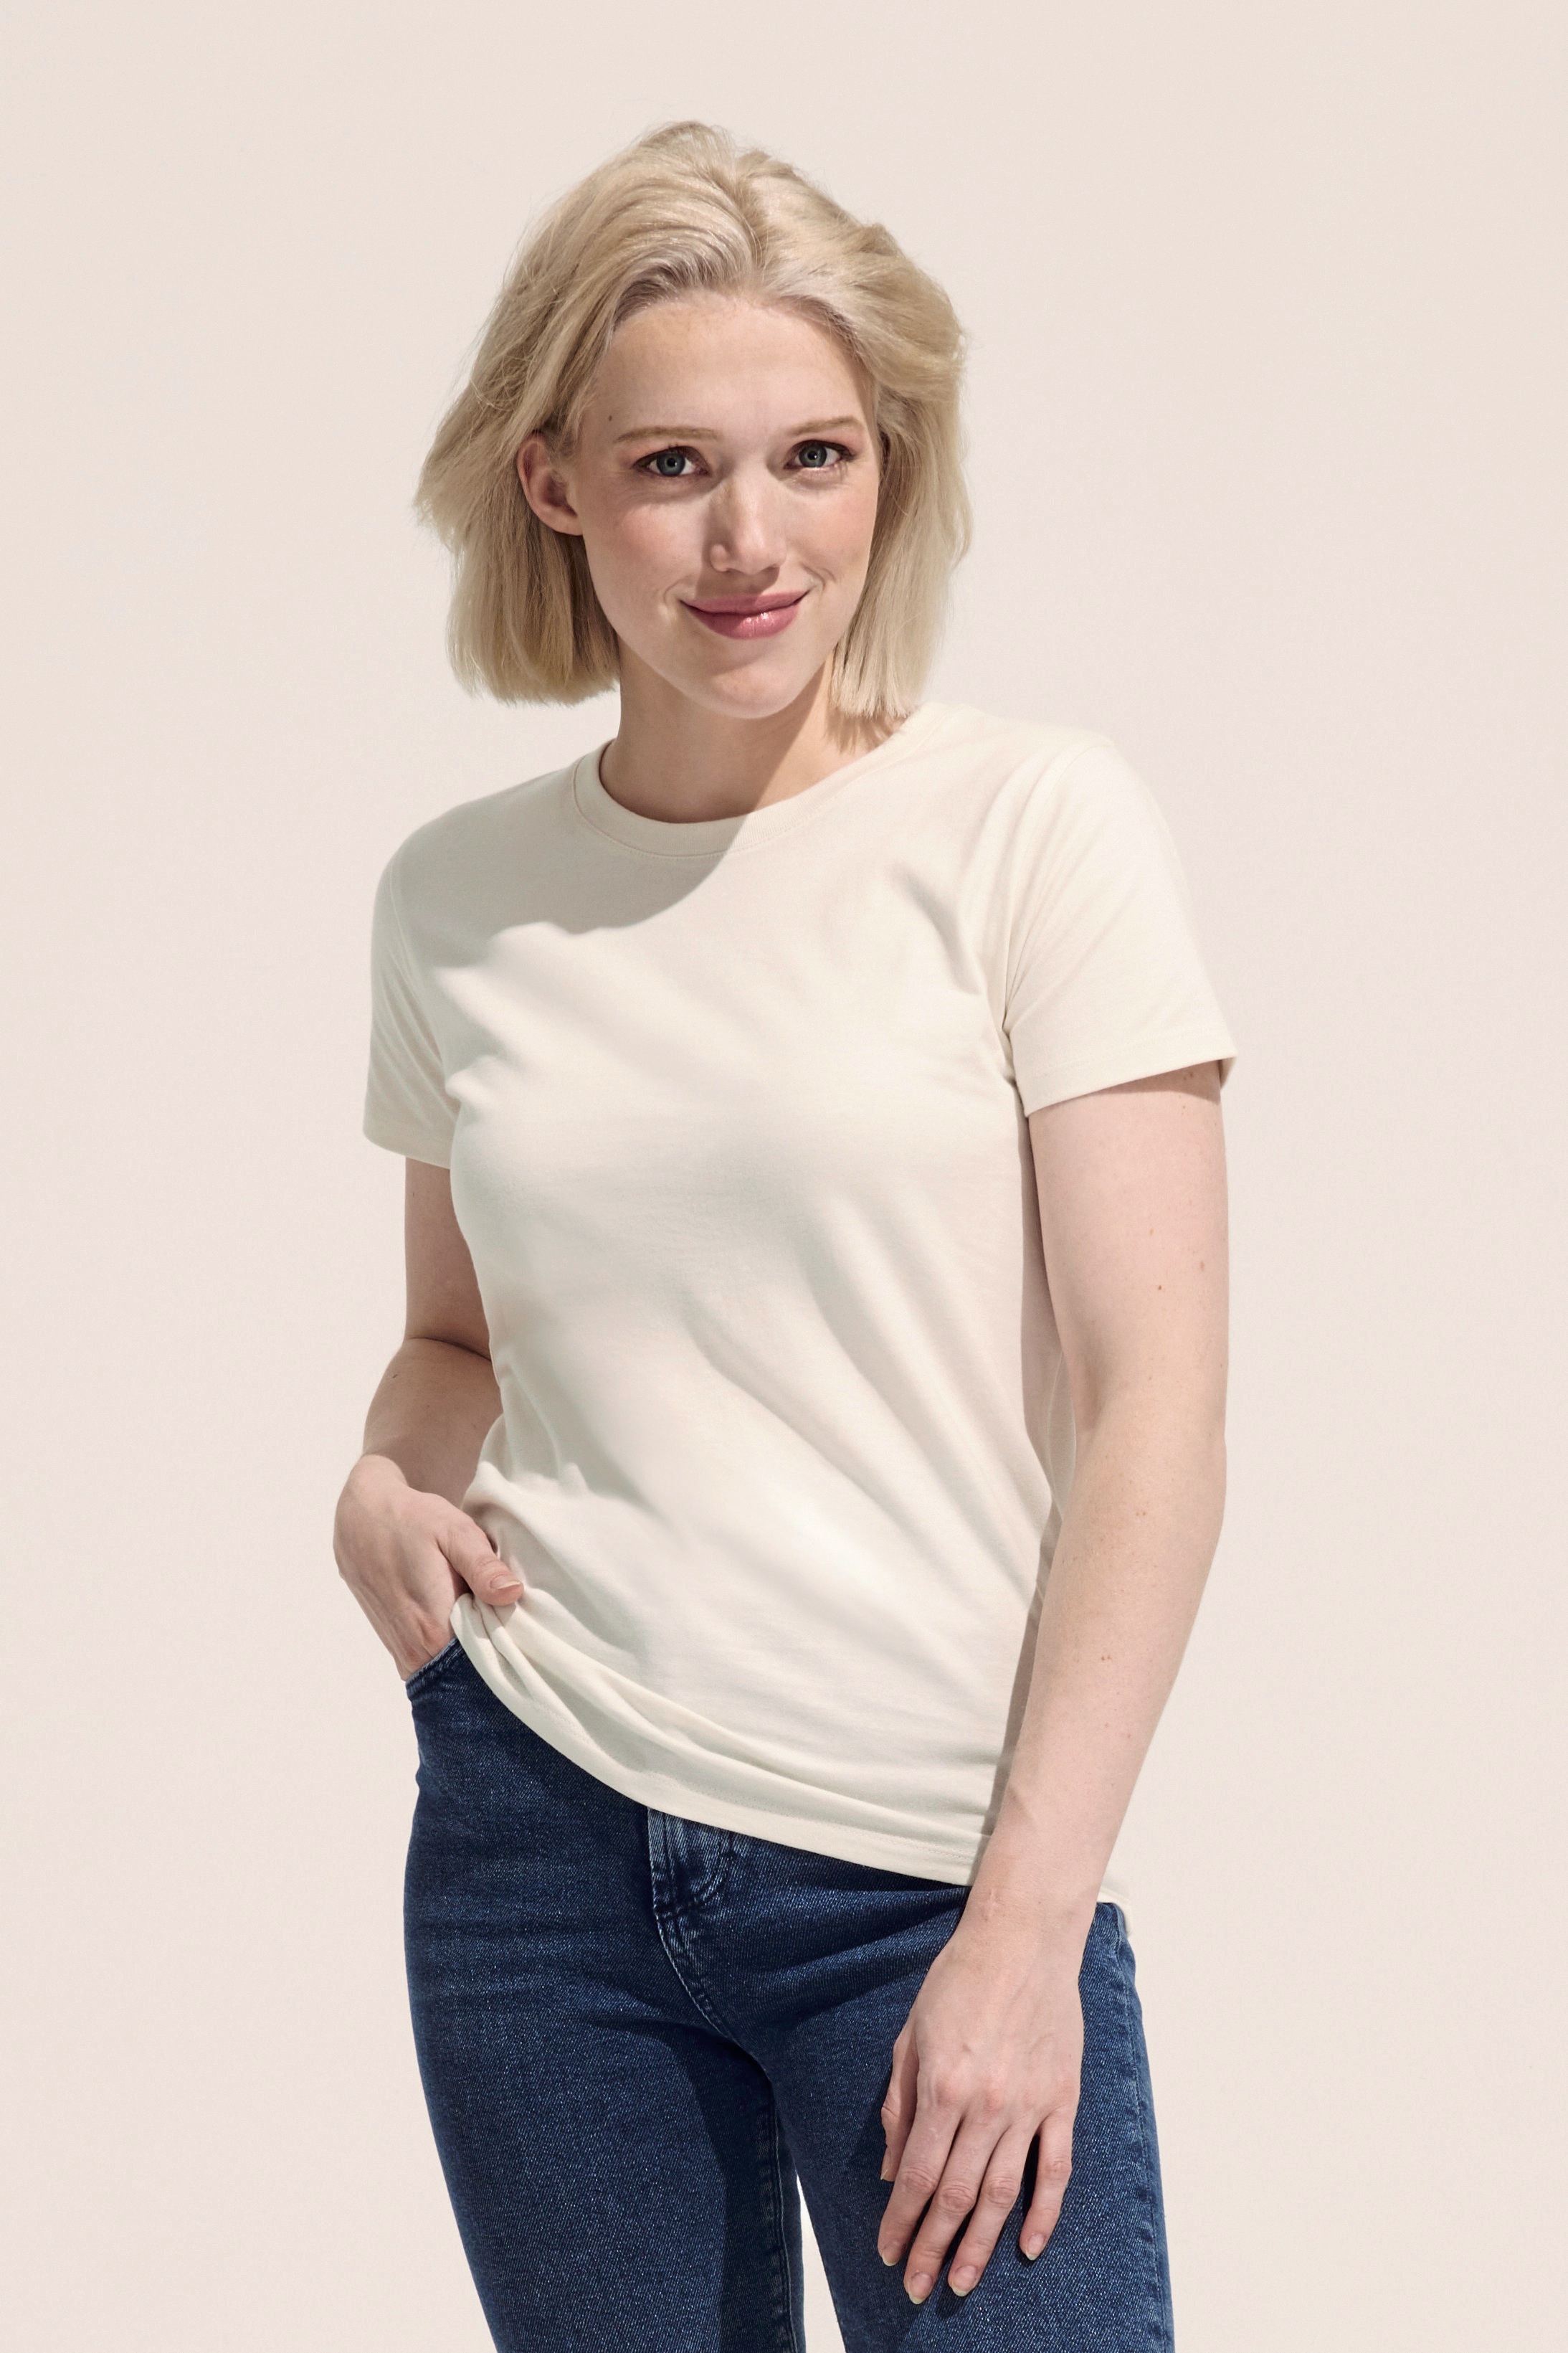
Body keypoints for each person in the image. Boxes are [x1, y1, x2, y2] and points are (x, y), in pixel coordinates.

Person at [333, 118, 1235, 2353]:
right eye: (674, 468)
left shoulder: (1029, 828)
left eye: (812, 457)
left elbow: (1155, 1408)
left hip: (922, 1867)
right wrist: (384, 1480)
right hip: (537, 1846)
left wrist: (1024, 1928)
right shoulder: (458, 899)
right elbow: (458, 1340)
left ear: (885, 469)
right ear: (554, 484)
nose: (753, 541)